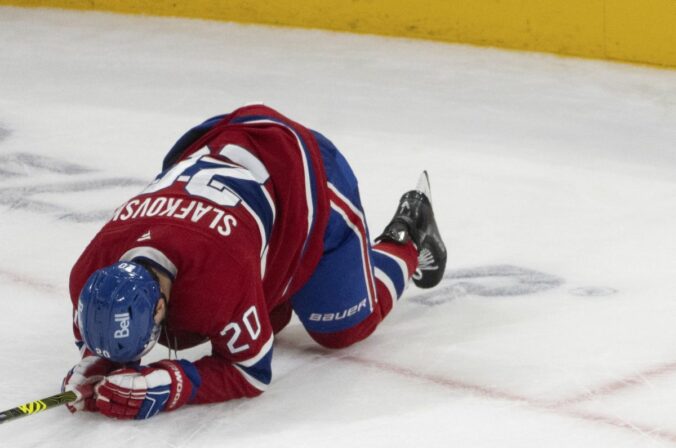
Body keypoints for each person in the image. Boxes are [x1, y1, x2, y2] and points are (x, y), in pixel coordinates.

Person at [62, 104, 447, 420]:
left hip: (307, 174)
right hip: (222, 150)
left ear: (160, 305)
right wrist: (95, 360)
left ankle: (409, 234)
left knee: (343, 330)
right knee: (268, 318)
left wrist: (172, 385)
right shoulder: (86, 273)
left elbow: (252, 373)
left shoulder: (218, 281)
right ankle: (279, 280)